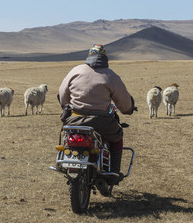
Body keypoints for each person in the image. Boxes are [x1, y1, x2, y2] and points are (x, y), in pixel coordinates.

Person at [58, 44, 136, 184]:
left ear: (89, 56)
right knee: (117, 136)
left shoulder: (75, 71)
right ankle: (113, 172)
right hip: (102, 122)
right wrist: (129, 108)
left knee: (66, 136)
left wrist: (66, 106)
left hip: (75, 119)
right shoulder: (110, 75)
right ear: (104, 57)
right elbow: (124, 104)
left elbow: (62, 95)